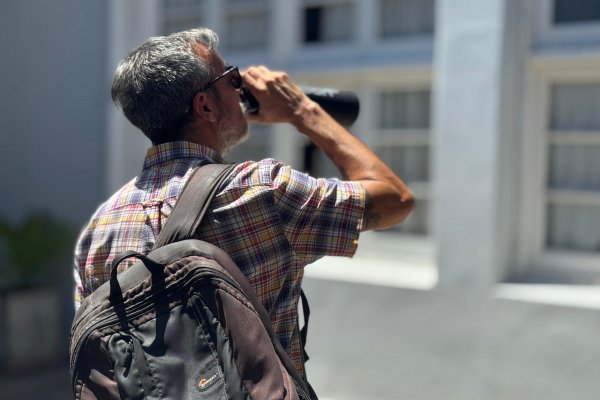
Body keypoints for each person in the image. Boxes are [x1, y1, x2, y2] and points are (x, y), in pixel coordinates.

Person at [74, 27, 414, 378]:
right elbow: (395, 199)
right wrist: (301, 110)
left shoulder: (98, 230)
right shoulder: (261, 191)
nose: (241, 89)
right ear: (204, 105)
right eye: (231, 79)